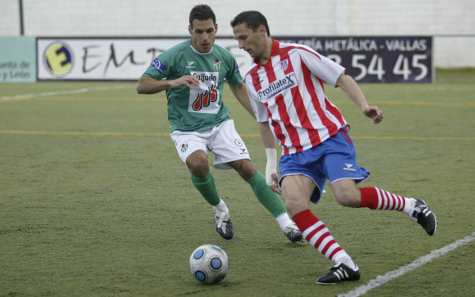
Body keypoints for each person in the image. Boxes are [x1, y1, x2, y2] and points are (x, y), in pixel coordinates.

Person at [230, 10, 438, 284]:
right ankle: (343, 263)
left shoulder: (297, 53)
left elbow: (340, 77)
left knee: (347, 196)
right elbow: (264, 122)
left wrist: (364, 105)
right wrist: (270, 163)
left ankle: (412, 206)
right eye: (238, 40)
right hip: (294, 152)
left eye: (244, 37)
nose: (242, 45)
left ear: (262, 31)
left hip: (329, 137)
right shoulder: (252, 78)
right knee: (293, 203)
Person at [136, 5, 302, 243]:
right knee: (198, 163)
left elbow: (237, 86)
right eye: (199, 31)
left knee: (246, 167)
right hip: (186, 128)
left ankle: (286, 223)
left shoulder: (224, 57)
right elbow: (142, 84)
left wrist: (261, 116)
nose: (205, 37)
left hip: (219, 124)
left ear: (216, 29)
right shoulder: (174, 56)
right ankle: (220, 209)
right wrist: (173, 82)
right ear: (190, 30)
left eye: (209, 31)